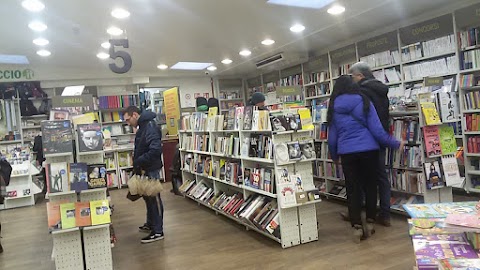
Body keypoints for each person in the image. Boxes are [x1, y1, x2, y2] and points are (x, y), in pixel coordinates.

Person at [327, 75, 403, 243]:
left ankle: (356, 224)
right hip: (369, 150)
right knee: (370, 185)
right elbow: (377, 131)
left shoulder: (333, 107)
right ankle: (369, 220)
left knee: (352, 188)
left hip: (347, 153)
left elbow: (332, 137)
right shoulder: (364, 101)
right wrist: (395, 143)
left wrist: (334, 156)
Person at [349, 61, 393, 227]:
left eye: (352, 76)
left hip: (365, 140)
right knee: (381, 176)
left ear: (360, 76)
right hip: (381, 137)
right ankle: (385, 214)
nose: (351, 80)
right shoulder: (381, 90)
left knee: (360, 177)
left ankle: (363, 214)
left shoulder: (360, 92)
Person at [123, 106, 165, 244]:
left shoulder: (150, 126)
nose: (128, 123)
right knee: (148, 198)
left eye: (128, 119)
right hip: (145, 167)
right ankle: (151, 223)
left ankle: (158, 231)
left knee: (154, 198)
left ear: (135, 114)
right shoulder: (144, 125)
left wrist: (140, 160)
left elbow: (155, 149)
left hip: (150, 167)